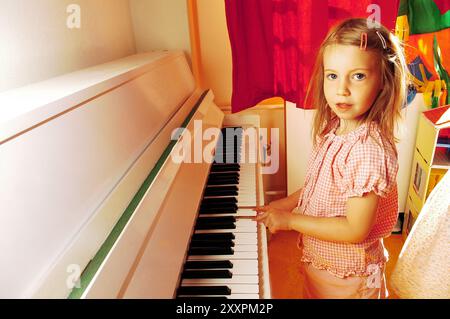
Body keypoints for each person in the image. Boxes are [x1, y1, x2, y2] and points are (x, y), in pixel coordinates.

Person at [256, 18, 408, 299]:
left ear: (383, 82)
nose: (342, 89)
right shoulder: (335, 129)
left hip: (351, 279)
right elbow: (320, 188)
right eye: (333, 75)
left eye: (358, 76)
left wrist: (290, 221)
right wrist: (286, 203)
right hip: (324, 266)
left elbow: (354, 229)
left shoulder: (367, 150)